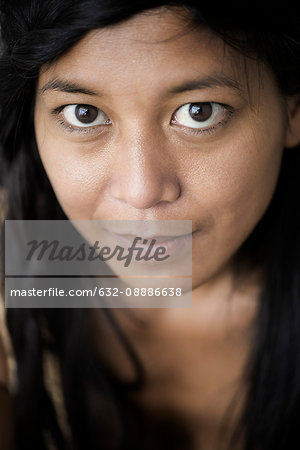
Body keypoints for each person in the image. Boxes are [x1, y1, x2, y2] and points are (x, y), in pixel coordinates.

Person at [0, 1, 300, 449]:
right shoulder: (29, 268)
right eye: (84, 114)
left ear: (293, 114)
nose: (141, 191)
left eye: (200, 112)